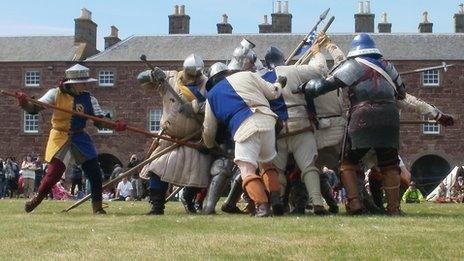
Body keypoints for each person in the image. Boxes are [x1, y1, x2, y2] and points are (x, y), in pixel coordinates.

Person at [301, 33, 407, 215]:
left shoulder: (353, 65)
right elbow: (402, 93)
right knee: (389, 164)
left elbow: (321, 87)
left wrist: (304, 87)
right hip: (390, 117)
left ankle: (355, 203)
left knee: (348, 162)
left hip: (362, 116)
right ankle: (393, 208)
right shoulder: (389, 66)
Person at [17, 64, 127, 214]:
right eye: (83, 82)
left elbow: (99, 121)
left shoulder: (89, 99)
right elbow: (34, 108)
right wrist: (24, 102)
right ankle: (35, 200)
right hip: (59, 135)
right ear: (73, 83)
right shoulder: (55, 94)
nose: (86, 85)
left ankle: (97, 208)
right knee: (54, 173)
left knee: (94, 172)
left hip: (80, 136)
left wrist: (114, 125)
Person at [202, 47, 286, 217]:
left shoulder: (212, 96)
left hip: (244, 126)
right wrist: (279, 83)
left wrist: (209, 145)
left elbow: (209, 130)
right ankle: (276, 200)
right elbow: (274, 92)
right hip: (268, 121)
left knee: (246, 170)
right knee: (267, 165)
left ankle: (262, 207)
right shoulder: (249, 75)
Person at [137, 54, 212, 215]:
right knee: (158, 169)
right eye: (190, 74)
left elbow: (215, 105)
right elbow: (141, 79)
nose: (193, 78)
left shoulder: (208, 84)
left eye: (196, 75)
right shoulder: (170, 78)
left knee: (199, 175)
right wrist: (152, 75)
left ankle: (188, 198)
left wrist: (195, 107)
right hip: (169, 138)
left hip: (195, 139)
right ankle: (157, 206)